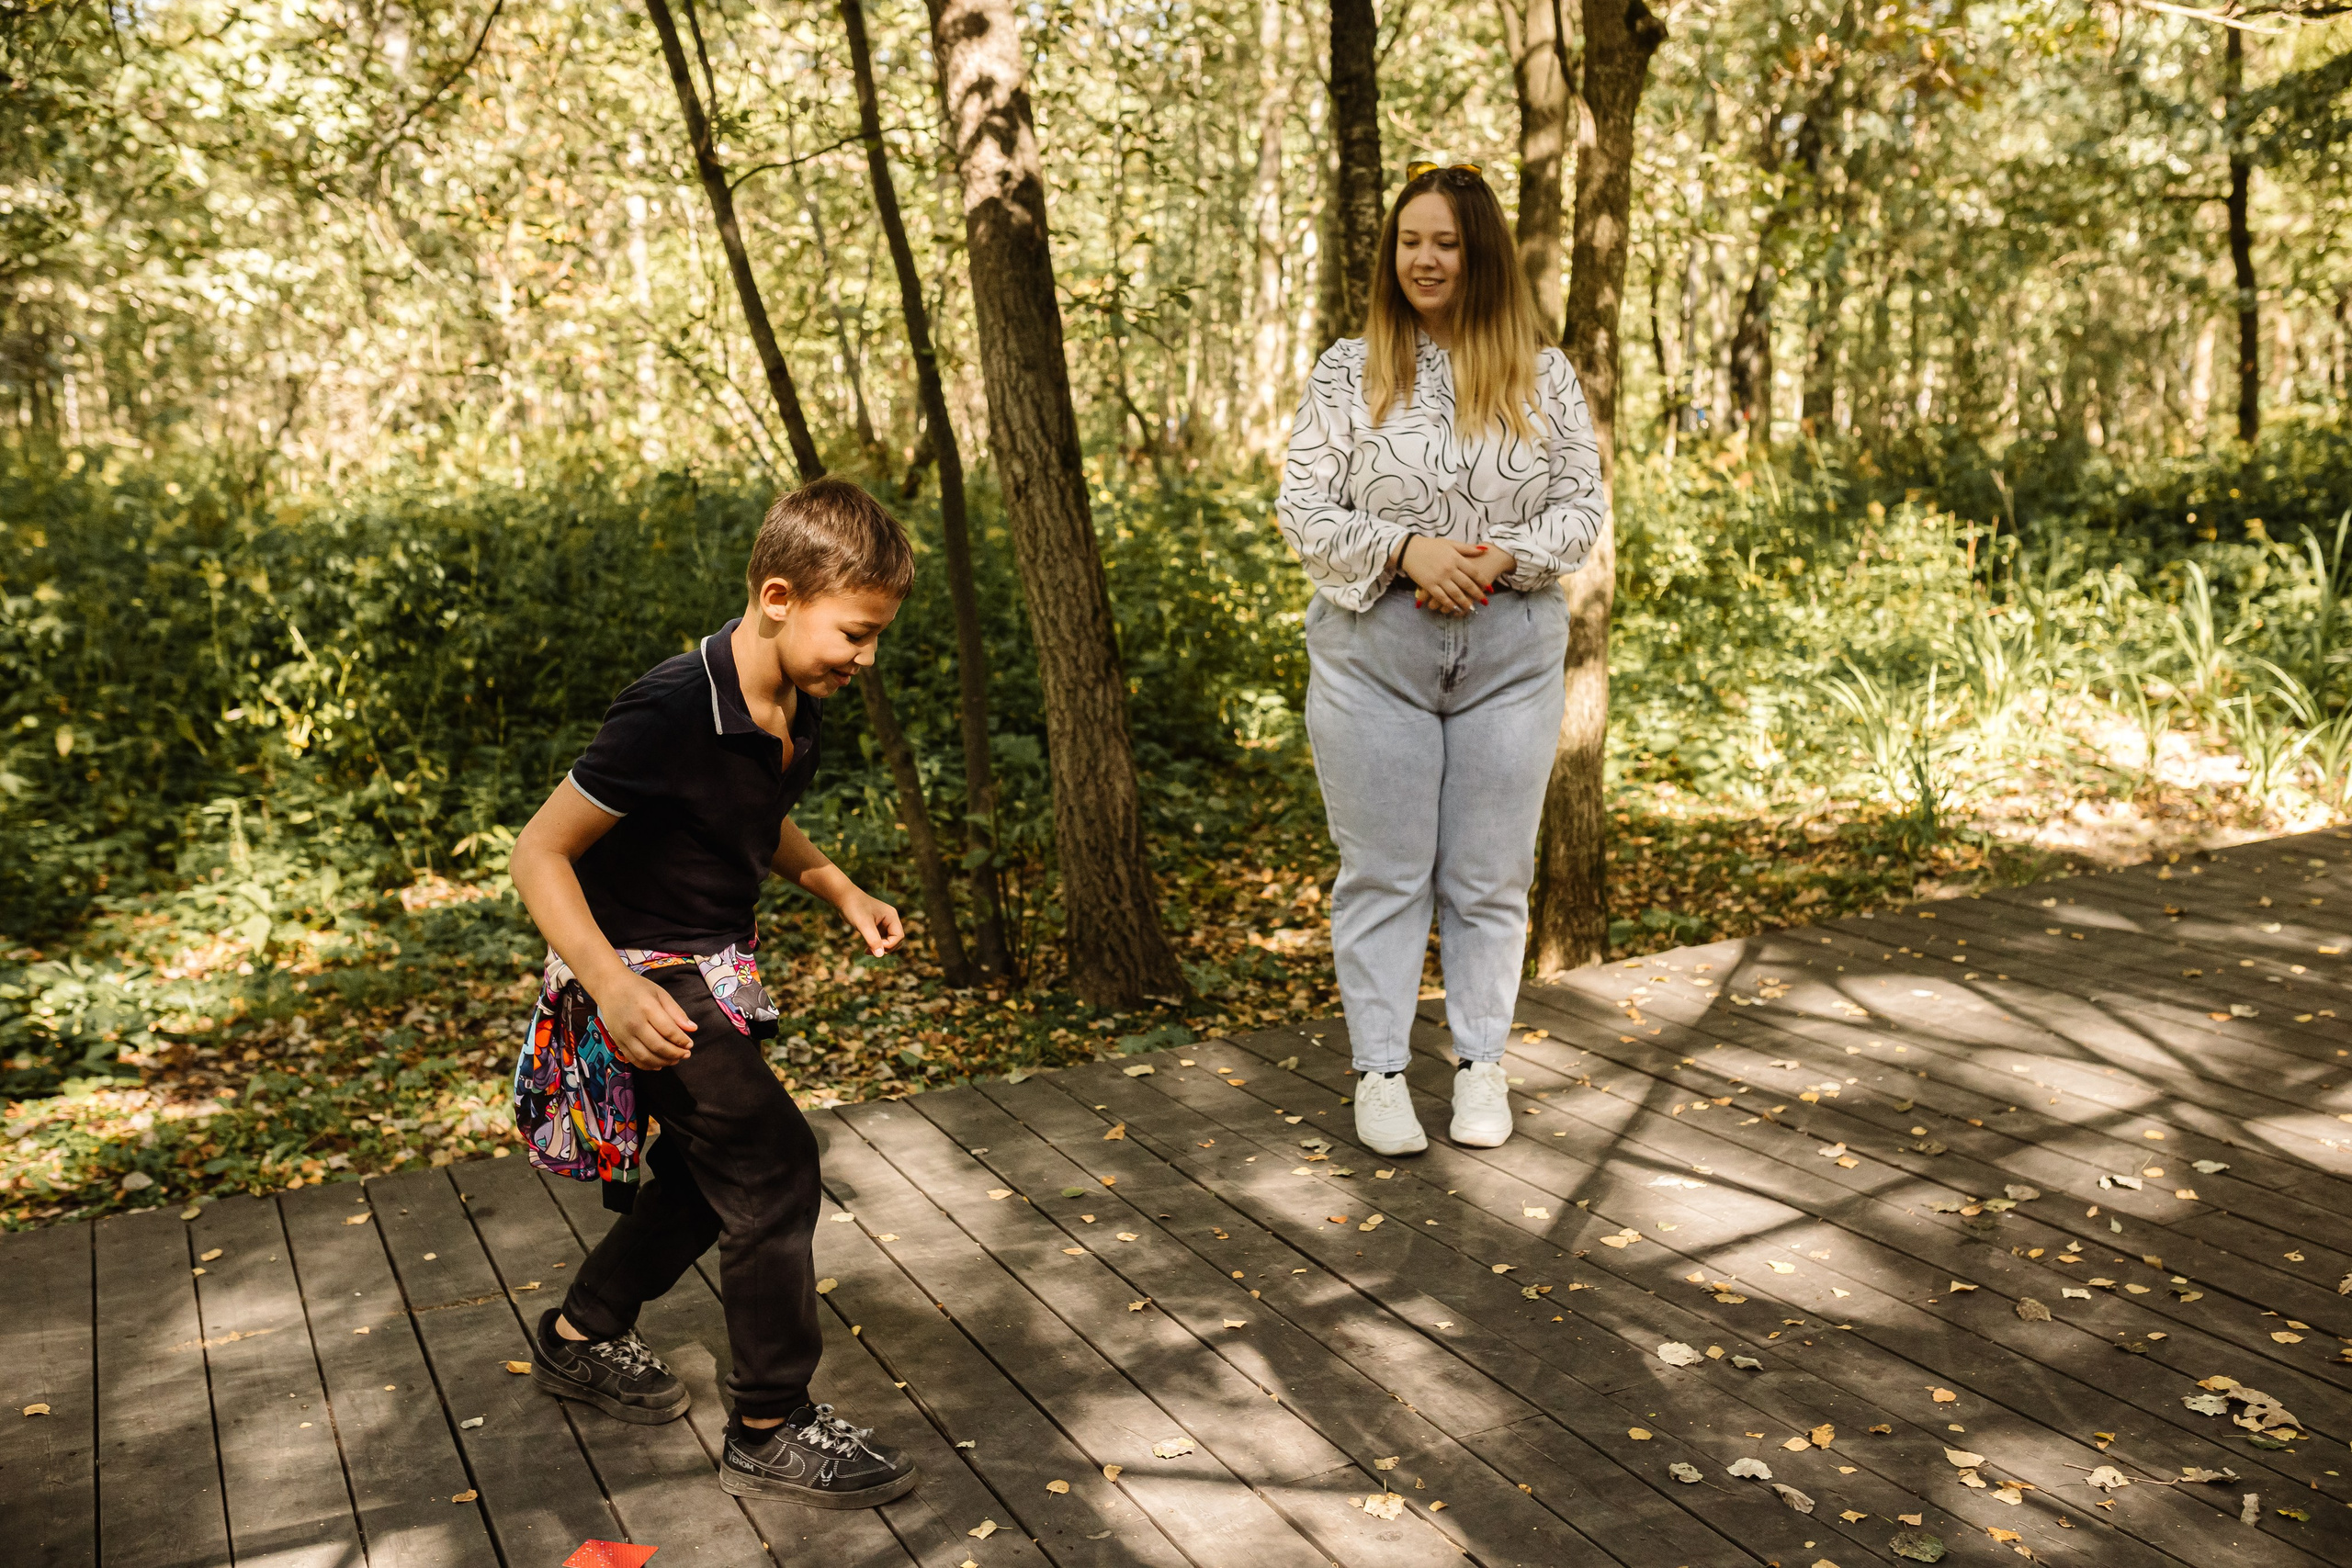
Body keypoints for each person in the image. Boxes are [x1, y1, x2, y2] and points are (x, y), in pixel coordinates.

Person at [505, 476, 922, 1510]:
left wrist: (836, 884)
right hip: (638, 979)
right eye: (855, 634)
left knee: (714, 1178)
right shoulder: (669, 709)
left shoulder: (790, 699)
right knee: (777, 1167)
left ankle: (579, 1333)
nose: (864, 660)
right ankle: (771, 1426)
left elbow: (746, 815)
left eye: (875, 638)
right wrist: (608, 985)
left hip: (711, 968)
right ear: (780, 596)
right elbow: (540, 853)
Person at [1277, 162, 1606, 1158]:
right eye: (1410, 240)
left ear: (1482, 255)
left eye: (1447, 242)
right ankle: (1380, 1072)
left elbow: (1581, 509)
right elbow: (1304, 507)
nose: (1425, 258)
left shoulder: (1542, 375)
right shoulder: (1347, 369)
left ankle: (1480, 1067)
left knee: (1489, 876)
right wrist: (1407, 549)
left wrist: (1503, 556)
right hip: (1376, 650)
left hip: (1511, 652)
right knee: (1382, 873)